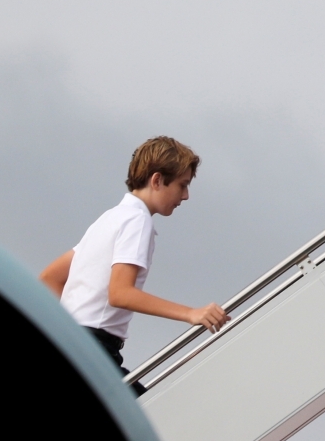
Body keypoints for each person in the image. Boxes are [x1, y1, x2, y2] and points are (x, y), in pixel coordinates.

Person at [40, 136, 229, 388]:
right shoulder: (138, 222)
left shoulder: (109, 218)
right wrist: (190, 313)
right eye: (182, 185)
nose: (185, 196)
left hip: (74, 345)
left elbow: (50, 278)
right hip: (94, 350)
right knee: (154, 418)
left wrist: (66, 334)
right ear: (157, 180)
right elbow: (119, 293)